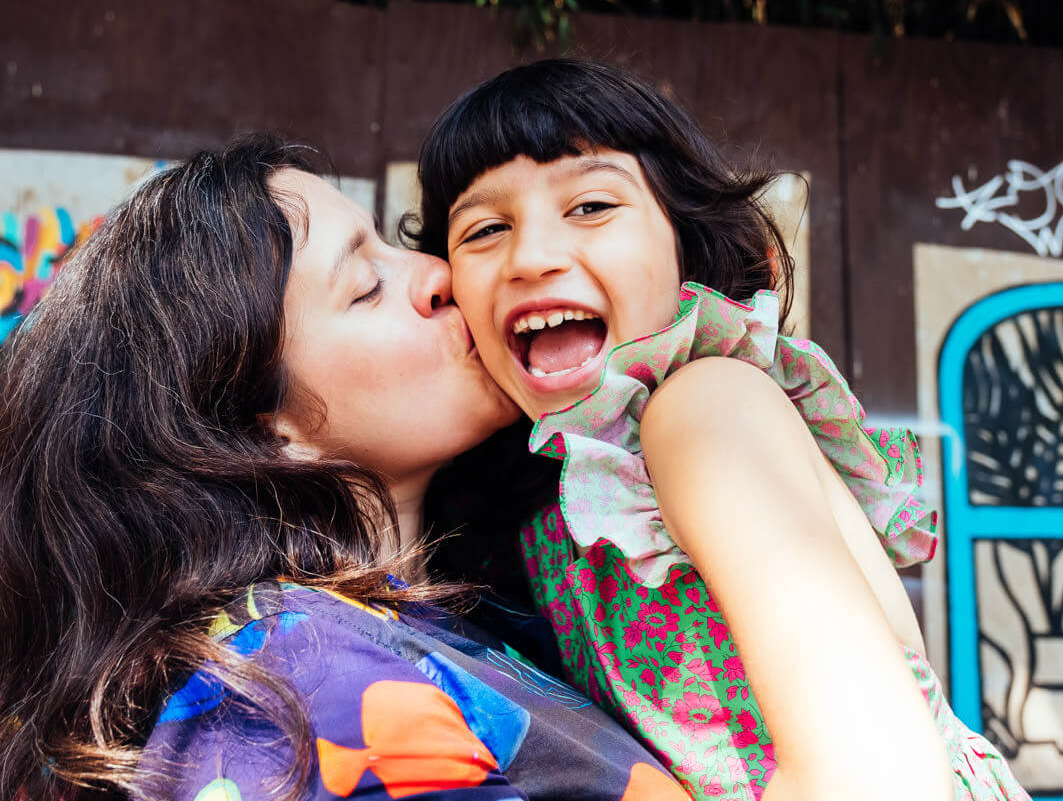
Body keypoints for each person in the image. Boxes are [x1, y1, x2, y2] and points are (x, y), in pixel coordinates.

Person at [0, 135, 695, 801]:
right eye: (366, 286)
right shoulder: (292, 701)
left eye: (392, 245)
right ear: (257, 433)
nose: (438, 276)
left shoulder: (467, 612)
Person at [414, 59, 1031, 801]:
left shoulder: (703, 407)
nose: (533, 257)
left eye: (591, 206)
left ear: (685, 241)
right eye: (485, 228)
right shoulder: (549, 502)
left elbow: (881, 781)